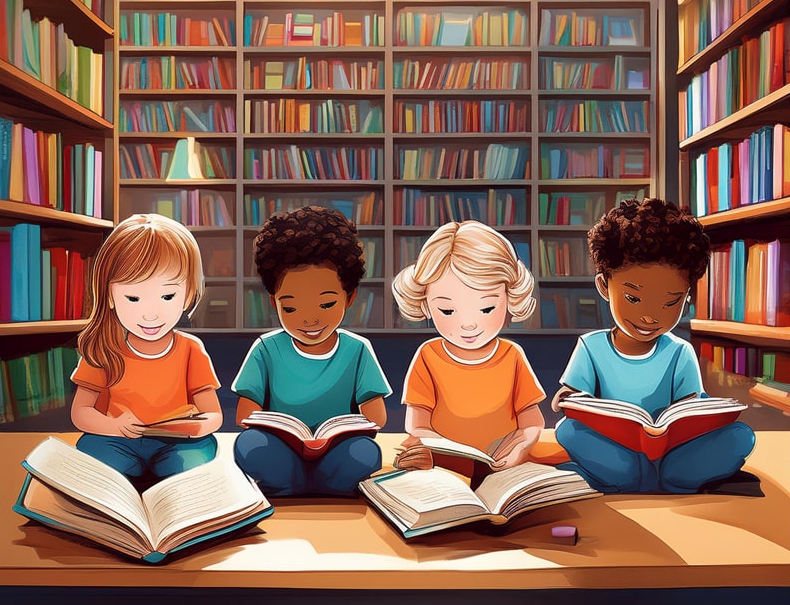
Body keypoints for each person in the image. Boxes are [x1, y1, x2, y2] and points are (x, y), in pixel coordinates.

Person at [552, 197, 755, 493]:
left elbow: (689, 411)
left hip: (674, 452)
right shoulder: (591, 347)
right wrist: (567, 398)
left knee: (740, 436)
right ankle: (648, 477)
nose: (649, 316)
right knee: (569, 431)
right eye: (633, 298)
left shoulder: (679, 352)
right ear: (604, 287)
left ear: (686, 297)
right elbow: (575, 398)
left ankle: (659, 476)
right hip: (617, 451)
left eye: (670, 302)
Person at [232, 206, 392, 496]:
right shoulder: (266, 349)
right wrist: (284, 432)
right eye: (291, 307)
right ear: (274, 303)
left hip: (337, 450)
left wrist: (338, 433)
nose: (309, 320)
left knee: (364, 453)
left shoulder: (357, 350)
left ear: (349, 296)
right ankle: (297, 482)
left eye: (326, 304)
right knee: (250, 445)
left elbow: (377, 418)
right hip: (281, 450)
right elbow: (245, 415)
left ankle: (309, 484)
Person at [71, 213, 223, 485]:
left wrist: (199, 426)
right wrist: (114, 426)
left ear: (187, 294)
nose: (150, 315)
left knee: (197, 457)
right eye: (133, 297)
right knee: (91, 454)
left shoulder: (191, 350)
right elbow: (81, 412)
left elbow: (214, 414)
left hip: (178, 444)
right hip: (117, 441)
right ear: (110, 296)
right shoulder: (103, 349)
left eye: (167, 296)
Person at [392, 220, 545, 481]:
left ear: (510, 298)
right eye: (447, 311)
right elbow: (416, 424)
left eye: (486, 308)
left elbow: (532, 422)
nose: (469, 324)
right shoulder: (429, 356)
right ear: (426, 305)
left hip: (503, 469)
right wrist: (451, 451)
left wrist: (522, 445)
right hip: (444, 470)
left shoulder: (512, 355)